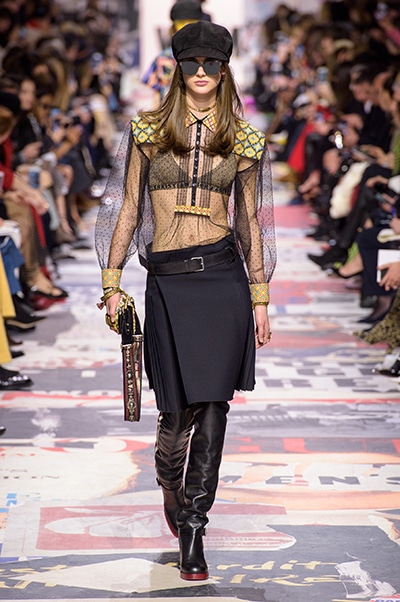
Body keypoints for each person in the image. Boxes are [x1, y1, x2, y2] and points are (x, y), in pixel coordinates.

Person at [95, 20, 276, 581]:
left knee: (215, 405)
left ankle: (195, 526)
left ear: (224, 70)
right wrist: (111, 282)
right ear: (178, 68)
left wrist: (260, 295)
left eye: (211, 64)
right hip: (168, 282)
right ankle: (169, 482)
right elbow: (128, 206)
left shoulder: (245, 139)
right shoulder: (148, 131)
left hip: (223, 279)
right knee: (174, 415)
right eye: (192, 63)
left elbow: (250, 222)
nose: (201, 72)